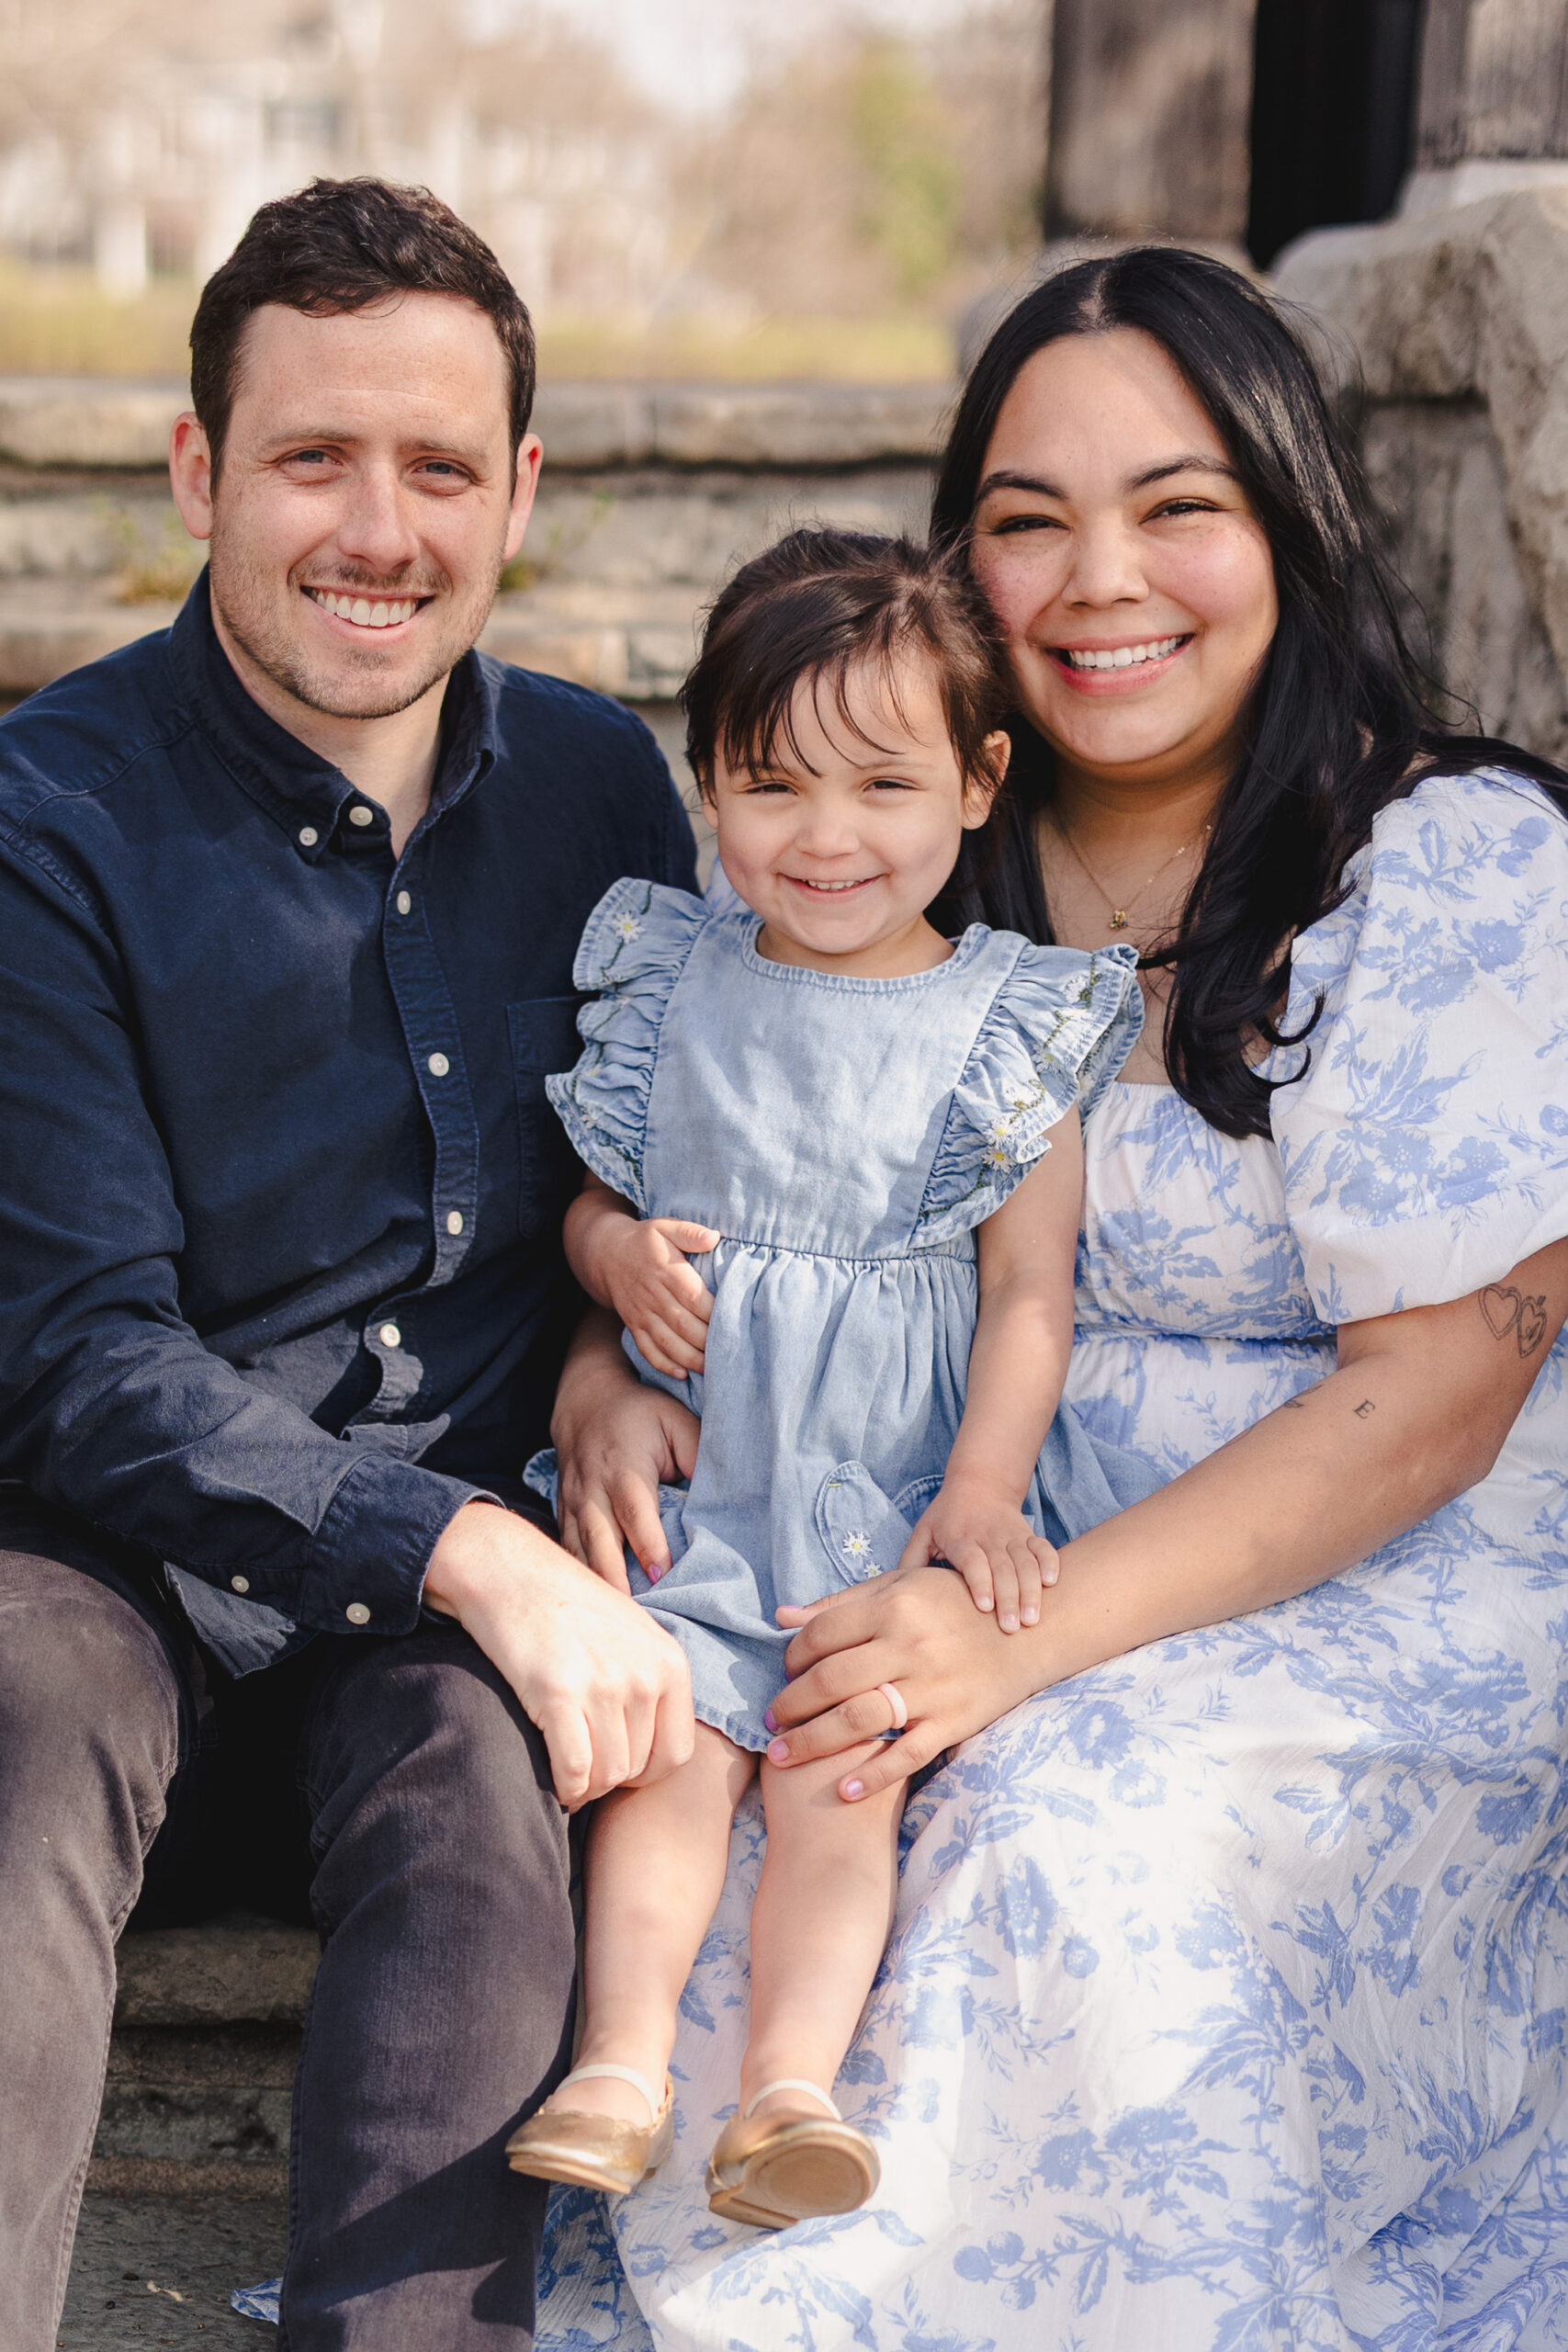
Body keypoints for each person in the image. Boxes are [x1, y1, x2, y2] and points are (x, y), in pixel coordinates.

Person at [537, 247, 1568, 2348]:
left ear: (1286, 516)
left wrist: (992, 1650)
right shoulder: (900, 854)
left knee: (1052, 1828)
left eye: (1175, 504)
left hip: (1360, 1572)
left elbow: (1440, 1394)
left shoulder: (1439, 860)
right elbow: (731, 1171)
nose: (1099, 577)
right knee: (730, 1739)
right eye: (1025, 520)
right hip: (905, 1516)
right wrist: (598, 1362)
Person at [0, 177, 697, 2352]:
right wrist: (476, 1554)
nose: (373, 526)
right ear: (198, 467)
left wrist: (601, 1338)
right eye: (311, 456)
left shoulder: (600, 785)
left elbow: (661, 1135)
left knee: (493, 1803)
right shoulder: (45, 819)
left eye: (434, 465)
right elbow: (75, 1352)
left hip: (437, 1600)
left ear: (522, 491)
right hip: (104, 1556)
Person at [502, 530, 1152, 2229]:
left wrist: (982, 1492)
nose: (829, 834)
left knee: (837, 1783)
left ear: (979, 782)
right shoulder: (676, 979)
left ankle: (787, 2088)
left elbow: (1028, 1298)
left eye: (883, 781)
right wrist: (609, 1269)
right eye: (772, 782)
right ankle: (622, 2066)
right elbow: (600, 1196)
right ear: (707, 776)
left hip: (881, 1495)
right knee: (670, 1765)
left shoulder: (1011, 1023)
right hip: (712, 1481)